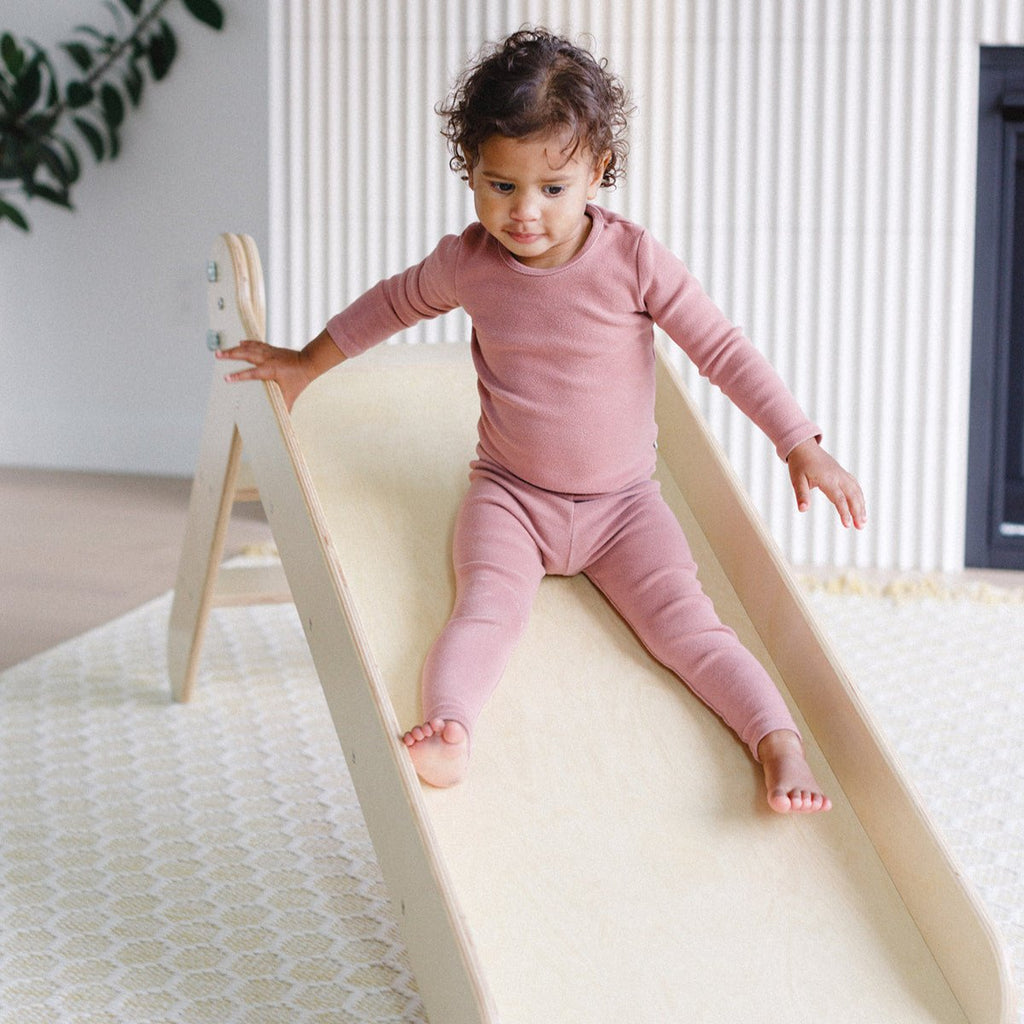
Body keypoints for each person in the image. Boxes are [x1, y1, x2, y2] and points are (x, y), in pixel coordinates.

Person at [217, 27, 866, 813]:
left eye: (552, 189)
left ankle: (777, 743)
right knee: (483, 609)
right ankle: (450, 728)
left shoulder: (633, 262)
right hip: (511, 498)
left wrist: (800, 443)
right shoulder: (468, 263)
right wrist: (305, 362)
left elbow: (722, 350)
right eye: (499, 186)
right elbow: (390, 303)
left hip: (625, 508)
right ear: (473, 173)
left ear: (596, 174)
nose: (523, 213)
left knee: (689, 630)